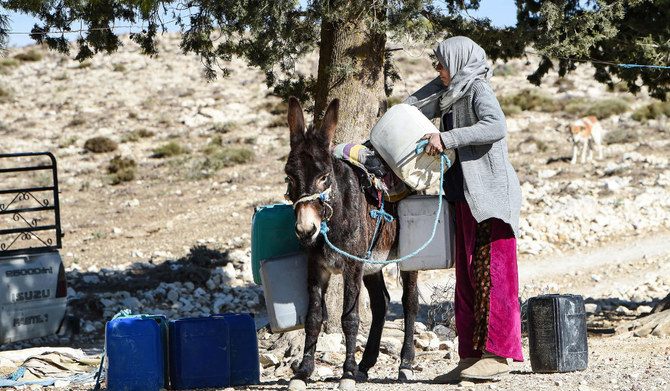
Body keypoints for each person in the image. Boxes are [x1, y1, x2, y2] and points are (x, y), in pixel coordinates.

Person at [403, 36, 523, 382]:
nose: (437, 70)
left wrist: (448, 138)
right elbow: (414, 106)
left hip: (489, 198)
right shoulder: (453, 91)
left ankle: (498, 355)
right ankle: (470, 356)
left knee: (493, 275)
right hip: (464, 196)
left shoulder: (477, 89)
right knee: (468, 277)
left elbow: (496, 126)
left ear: (458, 62)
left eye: (441, 63)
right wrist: (434, 84)